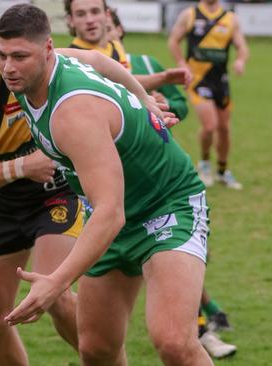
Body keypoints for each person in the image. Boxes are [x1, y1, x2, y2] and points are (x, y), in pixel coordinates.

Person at [0, 11, 172, 365]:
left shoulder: (21, 67)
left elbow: (97, 60)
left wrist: (144, 98)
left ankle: (106, 360)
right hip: (1, 201)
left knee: (56, 295)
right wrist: (21, 166)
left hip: (55, 190)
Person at [0, 4, 213, 365]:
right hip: (115, 214)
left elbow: (111, 213)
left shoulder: (74, 113)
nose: (8, 67)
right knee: (96, 349)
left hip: (166, 206)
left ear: (46, 49)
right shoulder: (32, 69)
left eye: (20, 56)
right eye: (2, 55)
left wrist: (57, 281)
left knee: (174, 342)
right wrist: (144, 98)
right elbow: (96, 58)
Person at [108, 8, 236, 359]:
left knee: (175, 273)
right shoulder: (74, 73)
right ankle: (209, 317)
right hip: (107, 196)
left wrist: (163, 107)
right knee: (95, 346)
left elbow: (177, 105)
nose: (98, 25)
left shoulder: (145, 64)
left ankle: (204, 327)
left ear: (119, 27)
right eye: (85, 15)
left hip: (161, 186)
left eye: (106, 20)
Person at [168, 0, 249, 189]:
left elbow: (242, 46)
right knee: (210, 126)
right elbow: (173, 40)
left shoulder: (230, 19)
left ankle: (222, 171)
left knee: (224, 128)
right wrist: (181, 62)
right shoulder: (190, 15)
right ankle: (204, 164)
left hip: (220, 81)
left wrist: (240, 61)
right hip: (198, 80)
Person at [65, 0, 189, 90]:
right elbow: (116, 84)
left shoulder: (115, 46)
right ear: (70, 20)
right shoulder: (71, 59)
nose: (90, 20)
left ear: (107, 15)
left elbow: (125, 84)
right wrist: (162, 78)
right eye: (81, 14)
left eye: (95, 11)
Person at [106, 8, 188, 121]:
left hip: (154, 137)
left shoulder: (147, 63)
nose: (104, 36)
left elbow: (182, 106)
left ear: (119, 30)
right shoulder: (88, 70)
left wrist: (165, 102)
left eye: (108, 29)